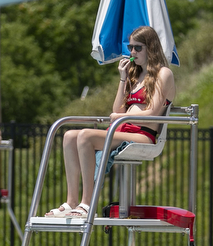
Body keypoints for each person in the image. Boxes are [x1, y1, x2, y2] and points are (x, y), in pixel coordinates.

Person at [46, 26, 175, 218]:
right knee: (68, 135)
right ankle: (71, 201)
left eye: (138, 48)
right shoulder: (135, 74)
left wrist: (122, 117)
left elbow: (153, 113)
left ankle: (87, 203)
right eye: (130, 47)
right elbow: (118, 110)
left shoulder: (163, 73)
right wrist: (123, 79)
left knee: (85, 135)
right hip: (122, 129)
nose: (132, 52)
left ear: (151, 47)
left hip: (143, 135)